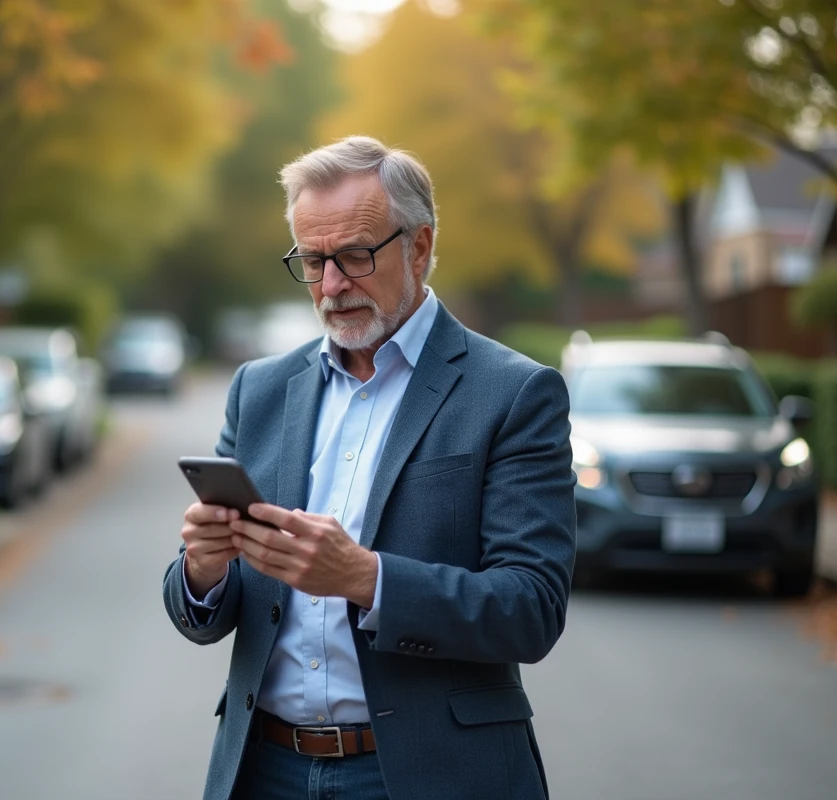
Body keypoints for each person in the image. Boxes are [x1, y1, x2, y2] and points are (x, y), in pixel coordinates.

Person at [162, 136, 576, 800]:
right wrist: (203, 571)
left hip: (428, 774)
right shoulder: (259, 390)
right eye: (313, 260)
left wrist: (366, 579)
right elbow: (207, 606)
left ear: (417, 246)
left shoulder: (513, 394)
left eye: (354, 256)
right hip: (264, 769)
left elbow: (531, 607)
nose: (330, 286)